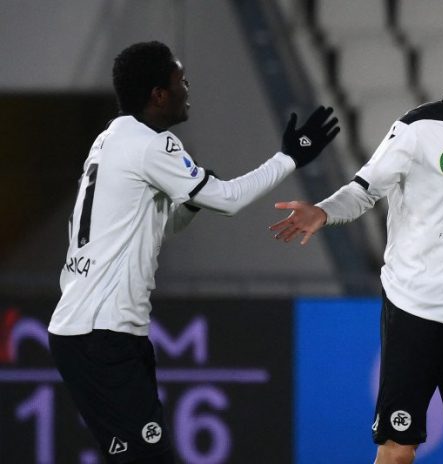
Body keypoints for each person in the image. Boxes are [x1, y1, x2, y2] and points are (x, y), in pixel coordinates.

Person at [271, 19, 443, 464]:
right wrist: (323, 211)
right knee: (399, 452)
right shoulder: (417, 129)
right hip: (413, 312)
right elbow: (365, 189)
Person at [47, 41, 339, 463]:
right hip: (100, 334)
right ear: (158, 95)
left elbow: (156, 227)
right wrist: (289, 157)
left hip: (94, 331)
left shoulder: (111, 138)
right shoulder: (151, 144)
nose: (187, 88)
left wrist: (193, 202)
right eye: (180, 80)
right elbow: (230, 199)